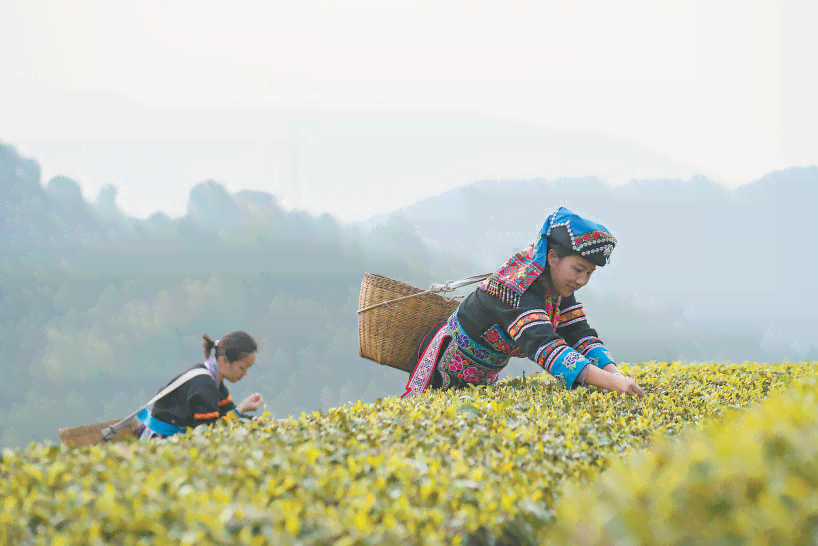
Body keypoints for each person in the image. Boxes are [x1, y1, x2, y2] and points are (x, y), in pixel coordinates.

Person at [402, 206, 646, 399]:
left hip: (485, 373)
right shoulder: (517, 289)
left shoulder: (556, 286)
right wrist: (613, 383)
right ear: (552, 257)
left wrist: (615, 373)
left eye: (589, 273)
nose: (582, 280)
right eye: (578, 269)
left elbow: (579, 333)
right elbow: (547, 348)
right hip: (445, 363)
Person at [133, 330, 265, 441]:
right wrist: (241, 409)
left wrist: (257, 421)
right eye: (242, 367)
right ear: (224, 361)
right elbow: (208, 432)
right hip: (161, 440)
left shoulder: (214, 381)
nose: (245, 373)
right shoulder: (203, 385)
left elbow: (227, 413)